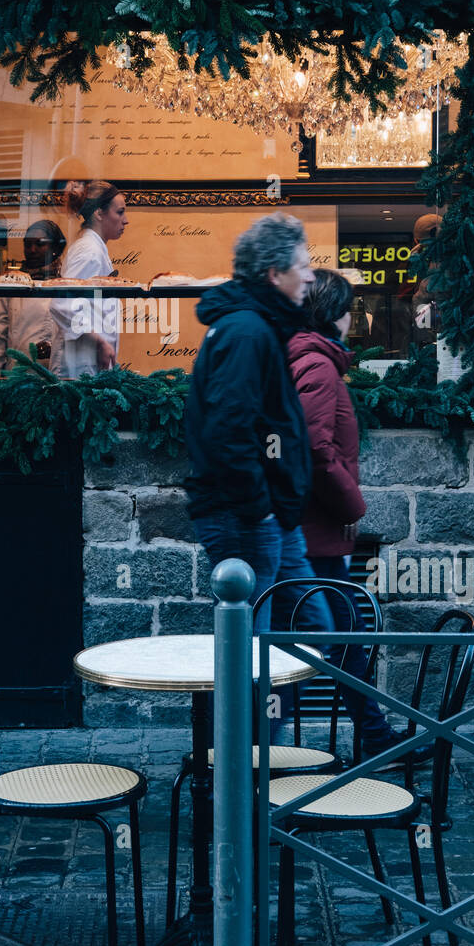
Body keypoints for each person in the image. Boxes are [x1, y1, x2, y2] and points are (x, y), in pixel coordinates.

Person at [288, 268, 417, 761]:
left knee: (334, 642)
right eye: (347, 308)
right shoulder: (318, 367)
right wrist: (352, 507)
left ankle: (373, 737)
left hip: (309, 531)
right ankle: (374, 740)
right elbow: (315, 450)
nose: (351, 318)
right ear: (332, 314)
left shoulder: (304, 360)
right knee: (340, 640)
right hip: (316, 534)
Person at [184, 214, 333, 637]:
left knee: (314, 628)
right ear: (273, 273)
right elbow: (229, 430)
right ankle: (253, 707)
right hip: (248, 518)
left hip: (270, 514)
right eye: (302, 266)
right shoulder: (247, 332)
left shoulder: (257, 327)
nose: (309, 277)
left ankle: (274, 705)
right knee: (250, 649)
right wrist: (259, 510)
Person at [49, 180, 129, 378]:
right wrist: (100, 342)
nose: (126, 220)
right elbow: (61, 303)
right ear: (99, 214)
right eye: (120, 212)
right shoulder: (89, 252)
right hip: (78, 367)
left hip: (86, 364)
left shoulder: (96, 250)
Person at [0, 219, 66, 375]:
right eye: (27, 244)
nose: (32, 250)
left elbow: (78, 335)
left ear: (55, 248)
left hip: (57, 379)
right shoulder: (11, 286)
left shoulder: (67, 285)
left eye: (39, 244)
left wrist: (55, 348)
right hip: (16, 378)